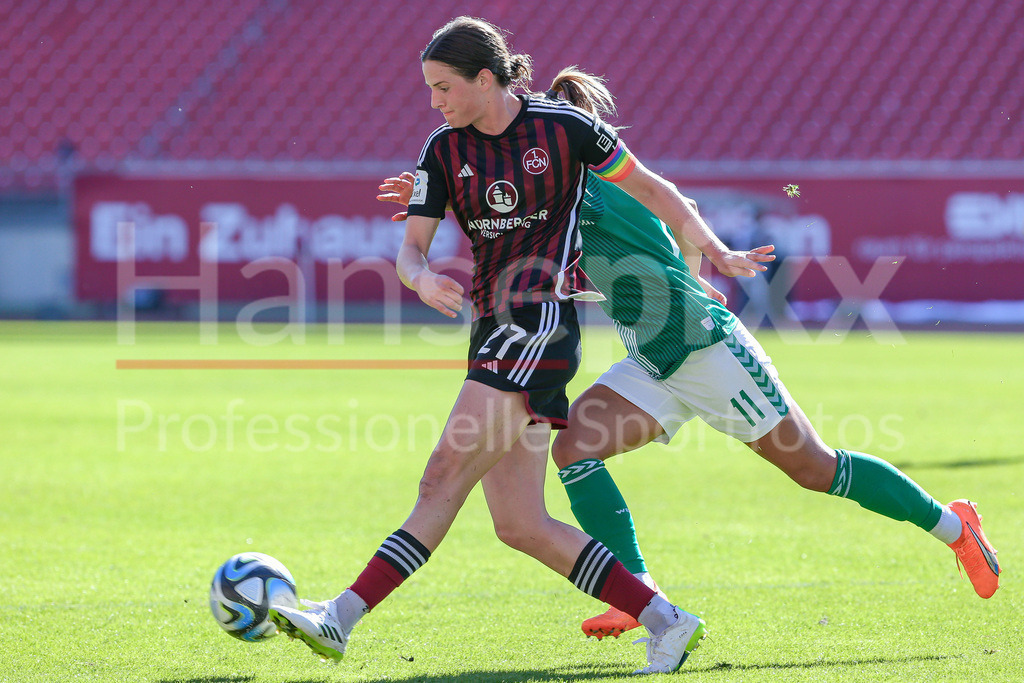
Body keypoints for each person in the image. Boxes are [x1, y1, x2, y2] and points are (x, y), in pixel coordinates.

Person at [378, 99, 1001, 646]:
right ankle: (639, 595)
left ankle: (955, 526)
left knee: (816, 468)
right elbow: (519, 212)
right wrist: (437, 192)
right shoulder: (559, 187)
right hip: (654, 362)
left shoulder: (578, 183)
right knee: (572, 448)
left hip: (707, 352)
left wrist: (701, 269)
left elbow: (630, 204)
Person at [271, 16, 771, 674]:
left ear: (486, 79)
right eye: (429, 89)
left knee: (439, 479)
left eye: (444, 87)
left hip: (538, 326)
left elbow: (656, 190)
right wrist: (421, 281)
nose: (434, 102)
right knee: (520, 523)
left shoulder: (563, 129)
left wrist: (715, 249)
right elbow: (411, 251)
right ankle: (666, 620)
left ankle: (339, 616)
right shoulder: (444, 150)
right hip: (492, 328)